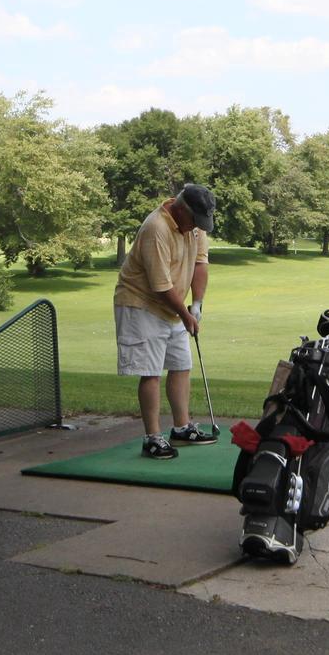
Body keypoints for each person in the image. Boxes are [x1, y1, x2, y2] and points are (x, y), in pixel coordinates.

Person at [113, 182, 215, 459]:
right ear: (181, 209)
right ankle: (152, 437)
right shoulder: (156, 228)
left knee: (181, 365)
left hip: (174, 303)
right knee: (151, 371)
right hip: (141, 304)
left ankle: (181, 428)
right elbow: (160, 285)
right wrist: (185, 314)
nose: (198, 227)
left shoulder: (194, 227)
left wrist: (196, 305)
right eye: (195, 220)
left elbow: (200, 264)